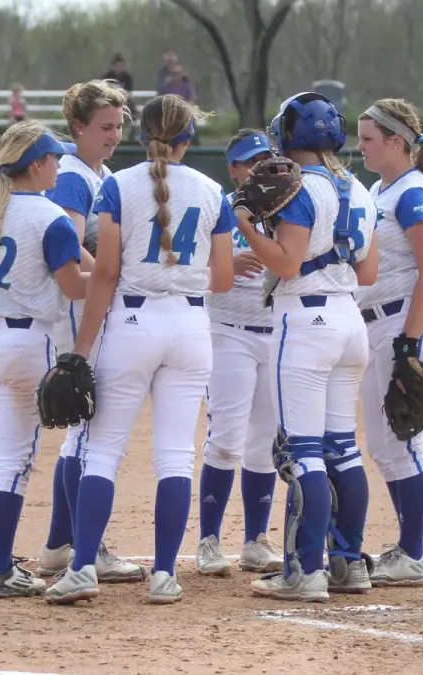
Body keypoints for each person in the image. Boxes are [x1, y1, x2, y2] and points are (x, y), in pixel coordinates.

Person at [44, 94, 237, 605]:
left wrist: (81, 349)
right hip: (192, 325)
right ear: (187, 139)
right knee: (175, 456)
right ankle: (165, 575)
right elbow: (221, 278)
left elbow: (104, 273)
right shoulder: (214, 191)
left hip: (131, 321)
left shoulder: (116, 185)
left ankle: (83, 568)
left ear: (140, 134)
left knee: (103, 452)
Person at [233, 92, 379, 602]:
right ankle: (348, 564)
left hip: (306, 321)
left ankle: (304, 571)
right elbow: (370, 271)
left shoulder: (298, 186)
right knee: (343, 448)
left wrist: (247, 224)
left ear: (288, 134)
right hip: (349, 320)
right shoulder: (359, 188)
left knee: (304, 453)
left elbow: (286, 264)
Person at [0, 121, 87, 597]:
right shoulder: (50, 216)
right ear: (36, 164)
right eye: (53, 159)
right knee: (14, 459)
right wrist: (115, 283)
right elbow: (73, 288)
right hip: (23, 345)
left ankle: (0, 560)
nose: (59, 166)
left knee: (2, 457)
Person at [34, 79, 145, 585]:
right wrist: (107, 272)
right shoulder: (75, 176)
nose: (114, 134)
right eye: (104, 126)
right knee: (87, 426)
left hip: (95, 303)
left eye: (120, 125)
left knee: (82, 428)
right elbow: (69, 242)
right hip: (84, 308)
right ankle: (84, 544)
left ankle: (61, 543)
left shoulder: (102, 173)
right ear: (76, 126)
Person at [354, 98, 423, 588]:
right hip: (380, 325)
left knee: (403, 438)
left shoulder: (415, 194)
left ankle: (413, 552)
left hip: (406, 325)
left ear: (397, 141)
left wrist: (409, 344)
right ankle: (410, 547)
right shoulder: (380, 188)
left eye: (369, 138)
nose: (361, 146)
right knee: (382, 442)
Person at [194, 129, 284, 578]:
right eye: (249, 162)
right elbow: (190, 267)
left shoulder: (288, 207)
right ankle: (209, 540)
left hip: (275, 332)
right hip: (228, 332)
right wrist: (225, 266)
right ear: (233, 169)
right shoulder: (219, 208)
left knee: (264, 442)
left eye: (266, 159)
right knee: (227, 436)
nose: (257, 168)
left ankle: (255, 540)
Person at [101, 54, 138, 141]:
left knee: (132, 109)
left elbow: (128, 92)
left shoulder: (127, 77)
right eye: (119, 65)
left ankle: (129, 135)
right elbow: (102, 91)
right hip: (109, 101)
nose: (121, 67)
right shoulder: (107, 77)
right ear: (114, 66)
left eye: (123, 65)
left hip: (124, 101)